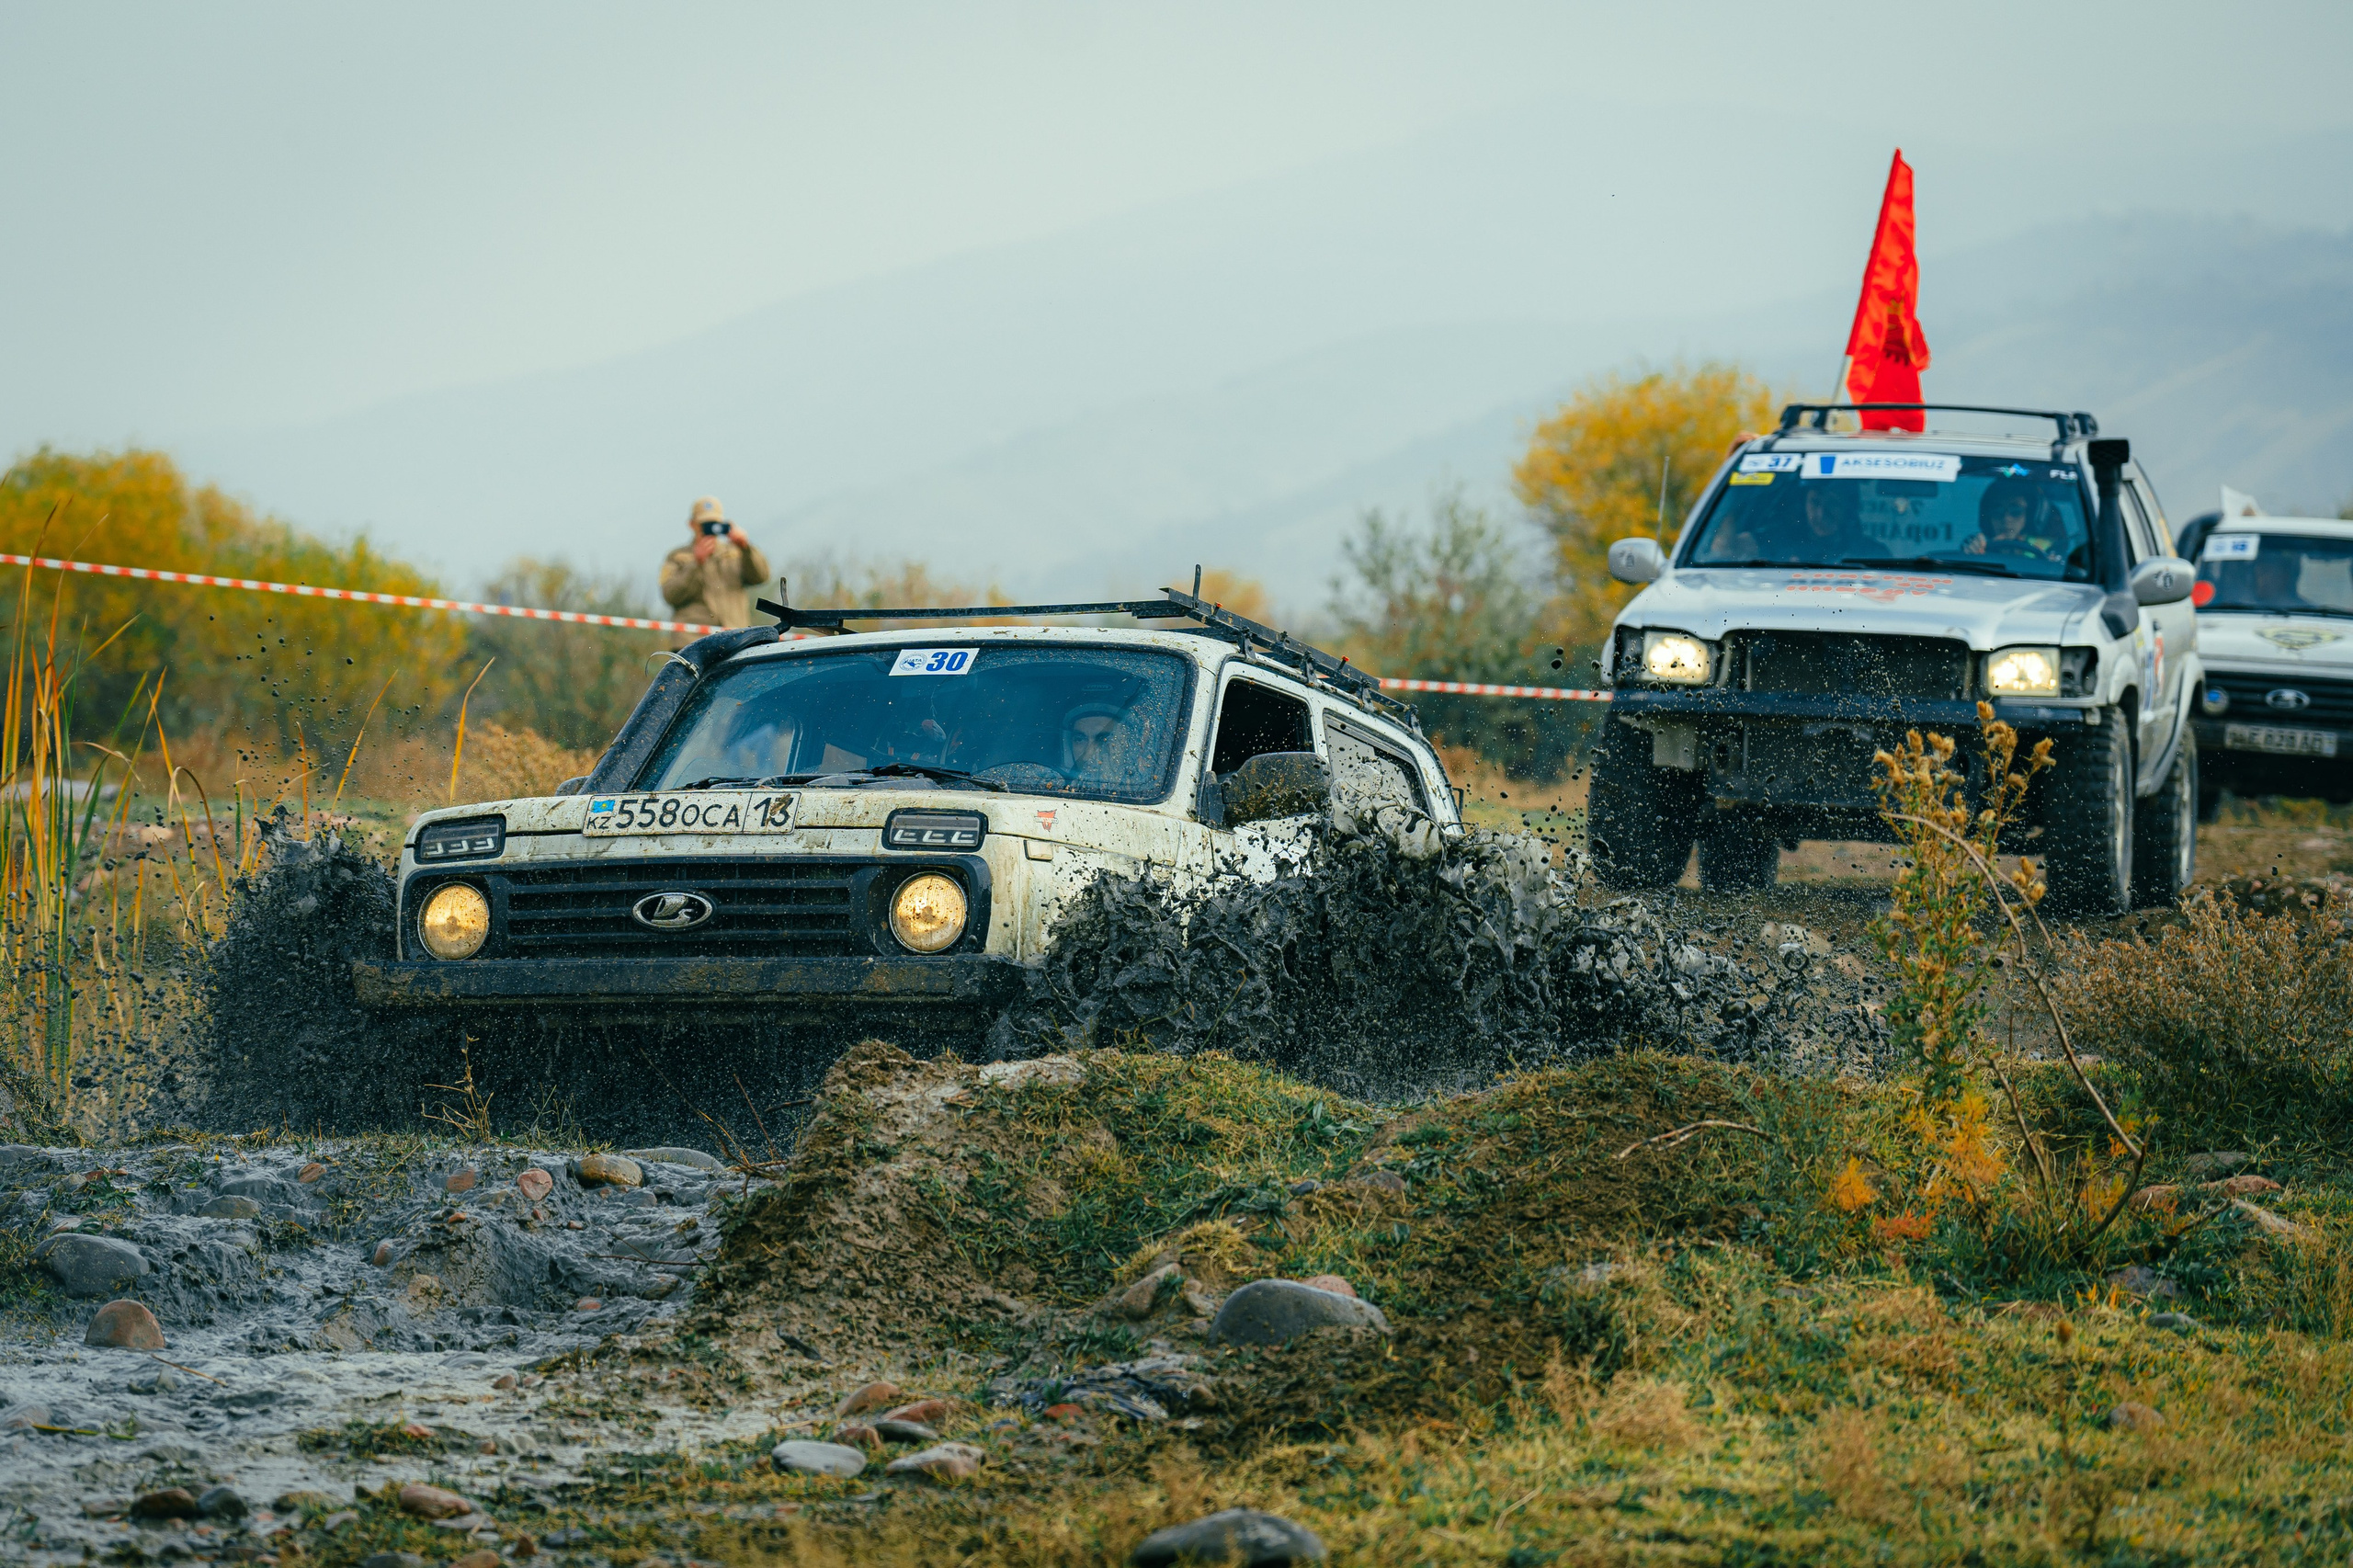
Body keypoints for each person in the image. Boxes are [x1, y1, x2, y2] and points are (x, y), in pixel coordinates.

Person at [660, 496, 771, 630]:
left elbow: (761, 577)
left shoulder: (735, 553)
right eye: (704, 524)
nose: (710, 529)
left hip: (734, 633)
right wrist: (696, 563)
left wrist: (745, 547)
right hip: (693, 636)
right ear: (692, 524)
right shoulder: (677, 557)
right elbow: (670, 596)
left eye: (714, 524)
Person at [1965, 479, 2061, 563]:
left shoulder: (2048, 549)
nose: (2006, 519)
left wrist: (2049, 564)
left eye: (2016, 511)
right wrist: (1973, 555)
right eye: (1997, 512)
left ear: (2030, 515)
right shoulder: (1977, 545)